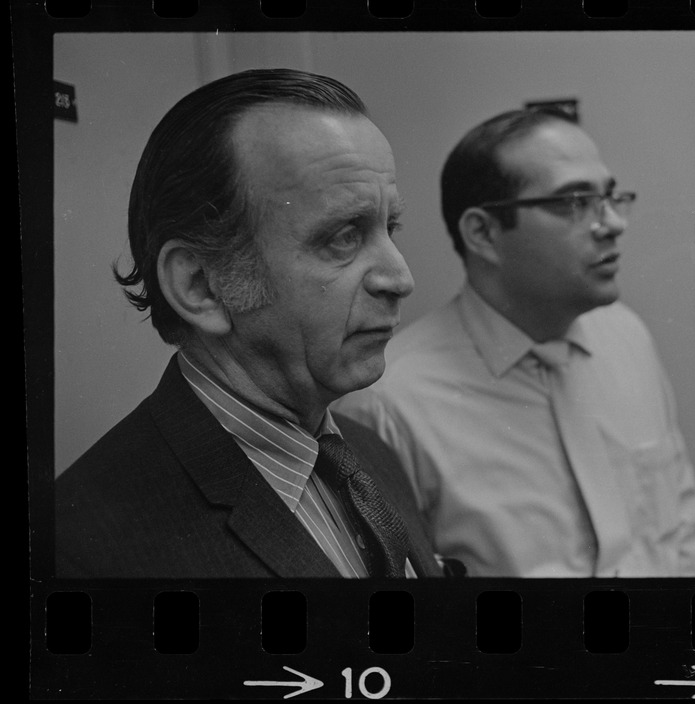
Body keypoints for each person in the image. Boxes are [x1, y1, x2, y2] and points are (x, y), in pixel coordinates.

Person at [55, 69, 445, 578]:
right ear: (201, 286)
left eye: (388, 227)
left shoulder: (369, 452)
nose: (400, 277)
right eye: (343, 237)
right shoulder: (80, 549)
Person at [336, 107, 695, 577]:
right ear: (484, 233)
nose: (613, 223)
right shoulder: (388, 405)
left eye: (610, 197)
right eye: (575, 201)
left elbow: (681, 512)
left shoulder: (626, 336)